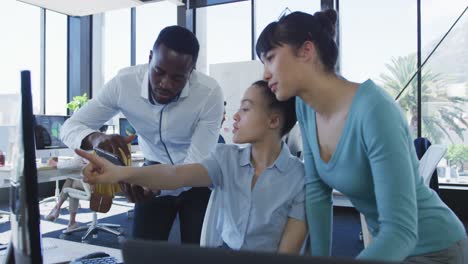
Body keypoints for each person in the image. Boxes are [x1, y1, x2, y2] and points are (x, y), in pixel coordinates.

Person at [255, 9, 467, 263]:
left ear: (306, 51)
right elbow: (316, 192)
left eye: (270, 58)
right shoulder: (305, 108)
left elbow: (401, 231)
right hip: (389, 249)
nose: (265, 74)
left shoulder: (375, 111)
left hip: (434, 249)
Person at [76, 80, 307, 254]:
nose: (235, 116)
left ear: (274, 121)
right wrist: (119, 172)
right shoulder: (225, 159)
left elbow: (287, 255)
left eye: (245, 109)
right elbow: (176, 174)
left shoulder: (299, 178)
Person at [60, 25, 224, 243]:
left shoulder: (209, 93)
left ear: (191, 71)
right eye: (159, 71)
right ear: (149, 58)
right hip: (152, 170)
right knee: (143, 251)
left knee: (198, 251)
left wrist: (155, 186)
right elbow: (70, 126)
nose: (165, 83)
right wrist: (95, 137)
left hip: (197, 176)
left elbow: (192, 165)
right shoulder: (123, 84)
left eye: (177, 78)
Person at [44, 157, 88, 232]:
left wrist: (56, 164)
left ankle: (57, 209)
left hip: (97, 184)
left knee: (72, 184)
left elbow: (77, 162)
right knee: (72, 179)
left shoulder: (92, 149)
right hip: (105, 182)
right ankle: (71, 221)